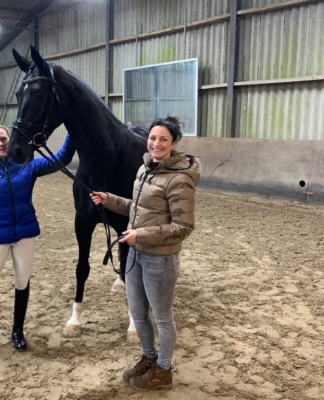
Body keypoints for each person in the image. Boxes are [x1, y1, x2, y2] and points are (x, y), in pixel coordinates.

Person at [90, 116, 200, 390]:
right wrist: (109, 199)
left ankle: (164, 370)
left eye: (163, 139)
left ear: (174, 143)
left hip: (160, 259)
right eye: (153, 138)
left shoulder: (179, 179)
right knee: (138, 313)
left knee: (162, 317)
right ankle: (150, 359)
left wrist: (141, 235)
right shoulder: (145, 169)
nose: (156, 143)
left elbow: (184, 226)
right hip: (136, 254)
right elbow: (137, 209)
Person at [0, 125, 76, 356]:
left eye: (3, 139)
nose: (0, 144)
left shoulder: (28, 166)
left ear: (10, 139)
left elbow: (61, 159)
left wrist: (73, 132)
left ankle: (17, 332)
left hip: (25, 233)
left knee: (22, 282)